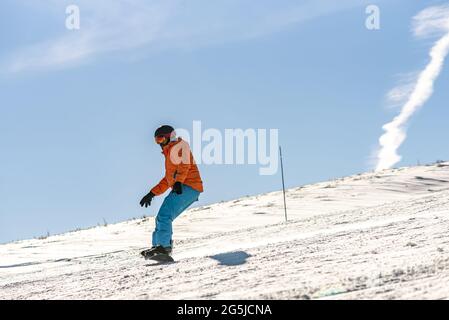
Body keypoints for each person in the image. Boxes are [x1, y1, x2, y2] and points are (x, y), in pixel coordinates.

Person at [139, 125, 204, 258]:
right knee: (161, 217)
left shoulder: (180, 146)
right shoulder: (169, 153)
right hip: (183, 186)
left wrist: (179, 181)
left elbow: (184, 165)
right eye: (156, 141)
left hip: (188, 186)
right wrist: (152, 193)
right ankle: (158, 247)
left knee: (165, 215)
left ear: (169, 137)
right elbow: (168, 179)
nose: (159, 143)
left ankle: (164, 248)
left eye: (161, 139)